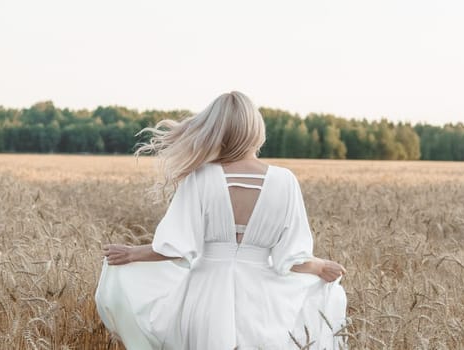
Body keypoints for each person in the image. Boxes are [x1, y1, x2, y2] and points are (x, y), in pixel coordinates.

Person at [95, 91, 348, 349]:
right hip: (264, 302)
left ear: (217, 130)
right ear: (256, 130)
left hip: (204, 297)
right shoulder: (285, 181)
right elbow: (293, 258)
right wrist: (320, 267)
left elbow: (176, 246)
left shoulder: (200, 178)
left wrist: (131, 253)